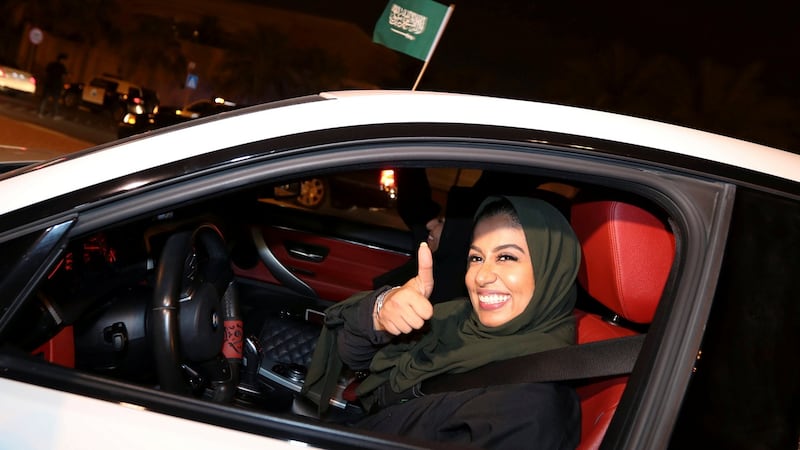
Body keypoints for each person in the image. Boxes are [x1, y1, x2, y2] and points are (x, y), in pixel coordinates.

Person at [304, 196, 582, 450]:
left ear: (553, 270)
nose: (481, 276)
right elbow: (356, 356)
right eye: (476, 258)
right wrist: (380, 312)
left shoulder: (531, 409)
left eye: (506, 257)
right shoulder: (457, 319)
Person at [38, 53, 68, 118]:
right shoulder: (62, 67)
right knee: (55, 101)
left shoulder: (51, 64)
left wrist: (44, 81)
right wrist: (63, 86)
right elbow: (63, 77)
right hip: (56, 86)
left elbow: (45, 73)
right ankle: (55, 115)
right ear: (62, 60)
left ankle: (40, 113)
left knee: (45, 99)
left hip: (48, 84)